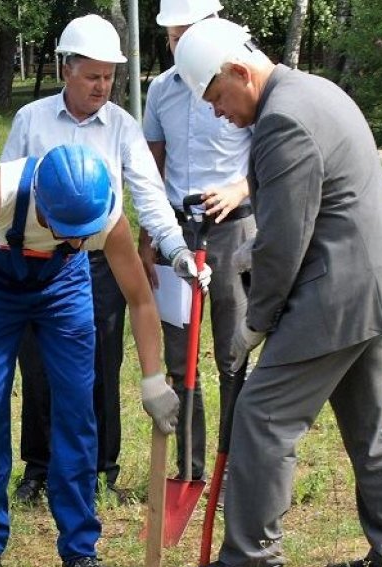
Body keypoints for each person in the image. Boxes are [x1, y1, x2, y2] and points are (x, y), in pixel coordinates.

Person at [173, 18, 382, 567]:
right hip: (373, 280)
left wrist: (253, 324)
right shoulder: (315, 88)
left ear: (240, 72)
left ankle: (250, 565)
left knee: (263, 418)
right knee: (371, 429)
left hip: (339, 290)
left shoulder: (282, 120)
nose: (218, 111)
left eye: (218, 97)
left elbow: (287, 240)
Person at [0, 144, 180, 567]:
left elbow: (140, 300)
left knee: (76, 410)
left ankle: (79, 552)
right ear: (43, 207)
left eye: (84, 233)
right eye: (67, 230)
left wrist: (153, 379)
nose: (79, 241)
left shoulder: (104, 217)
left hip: (62, 287)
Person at [3, 14, 206, 506]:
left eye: (109, 76)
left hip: (98, 265)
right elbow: (7, 190)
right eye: (92, 75)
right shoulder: (31, 120)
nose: (102, 86)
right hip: (38, 260)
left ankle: (100, 468)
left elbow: (149, 194)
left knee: (99, 364)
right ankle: (39, 467)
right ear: (66, 69)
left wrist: (175, 248)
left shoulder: (121, 127)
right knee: (39, 368)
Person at [142, 0, 255, 488]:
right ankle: (190, 469)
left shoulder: (241, 82)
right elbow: (151, 170)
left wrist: (239, 188)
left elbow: (274, 154)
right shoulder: (160, 91)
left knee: (233, 354)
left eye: (186, 34)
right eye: (171, 37)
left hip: (231, 229)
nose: (178, 45)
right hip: (175, 233)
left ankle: (234, 472)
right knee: (178, 357)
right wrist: (151, 238)